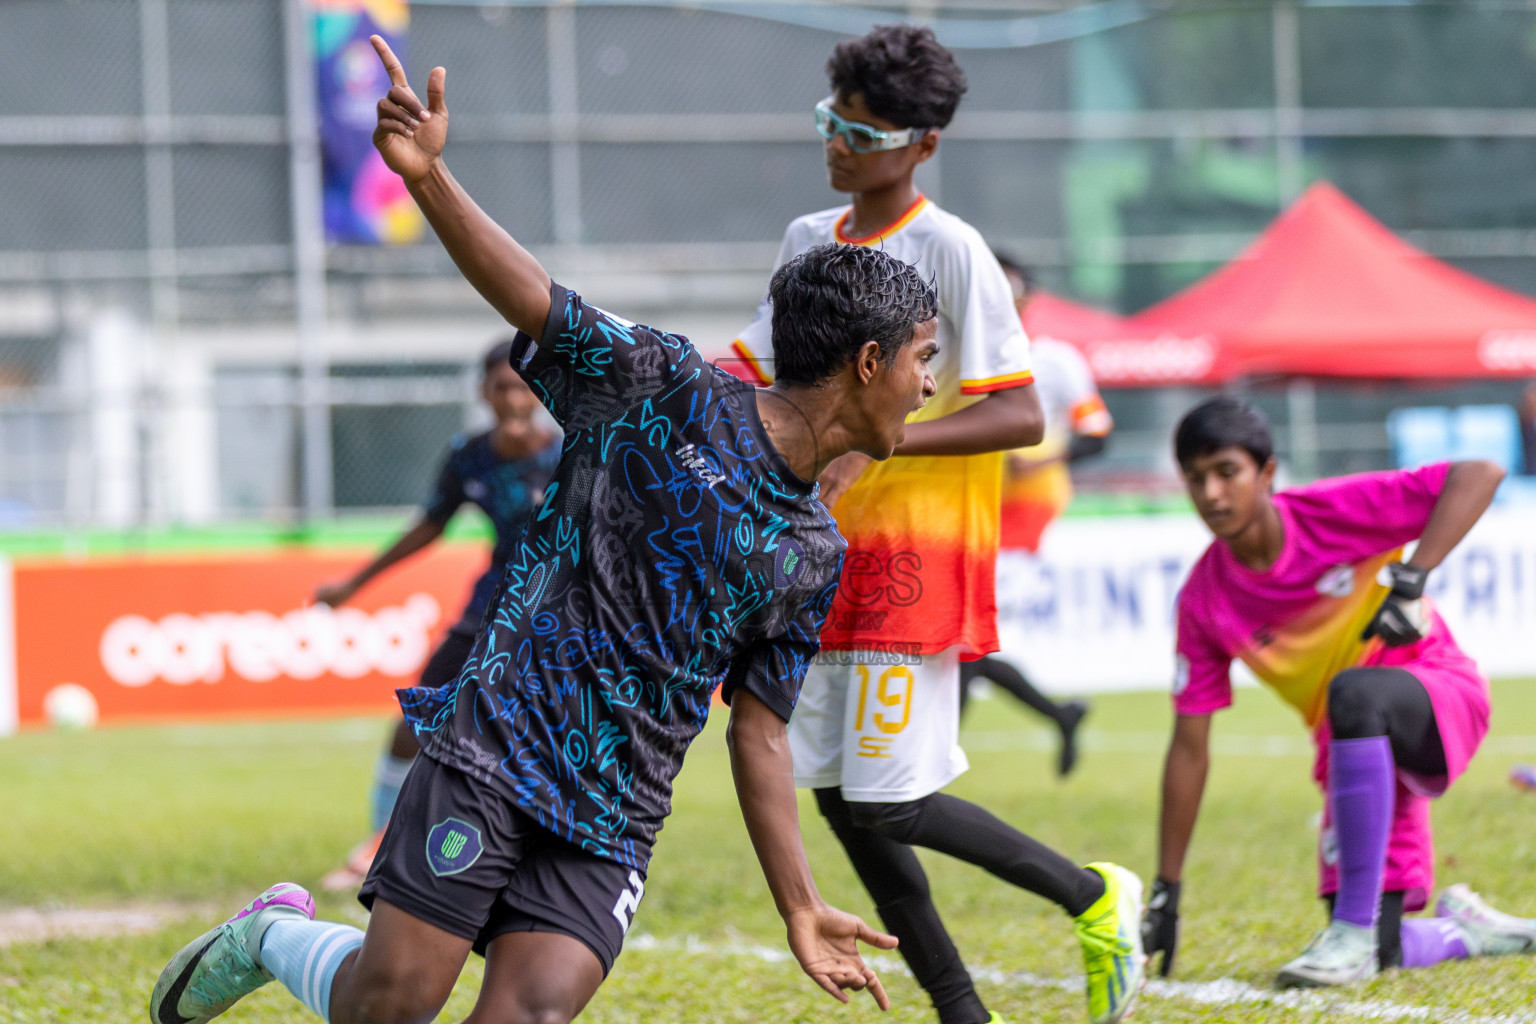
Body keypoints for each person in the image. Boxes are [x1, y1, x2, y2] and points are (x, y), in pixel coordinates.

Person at [149, 36, 929, 1024]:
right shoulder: (669, 387)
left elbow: (761, 734)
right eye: (922, 358)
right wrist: (428, 178)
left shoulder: (815, 551)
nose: (930, 383)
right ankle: (270, 933)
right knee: (387, 1008)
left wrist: (802, 903)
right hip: (497, 746)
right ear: (868, 363)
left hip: (616, 810)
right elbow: (534, 298)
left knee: (529, 1015)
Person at [729, 25, 1144, 1024]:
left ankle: (1094, 895)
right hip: (814, 560)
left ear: (921, 145)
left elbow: (1021, 413)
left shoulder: (951, 250)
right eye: (831, 120)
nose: (837, 141)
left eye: (862, 130)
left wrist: (881, 443)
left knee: (886, 801)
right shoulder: (804, 242)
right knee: (841, 801)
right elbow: (752, 374)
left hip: (914, 558)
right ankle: (962, 1010)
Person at [1142, 396, 1536, 989]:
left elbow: (1480, 473)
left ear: (1267, 473)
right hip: (1351, 751)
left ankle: (1348, 934)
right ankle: (1464, 930)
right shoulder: (1203, 599)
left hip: (1437, 693)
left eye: (1227, 472)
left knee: (1353, 694)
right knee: (1386, 942)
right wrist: (1166, 890)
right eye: (1196, 480)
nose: (1213, 495)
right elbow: (1189, 746)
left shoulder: (1332, 511)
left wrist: (1412, 580)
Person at [311, 341, 561, 890]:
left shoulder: (571, 454)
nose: (514, 398)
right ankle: (383, 840)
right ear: (483, 392)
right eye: (502, 386)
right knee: (416, 718)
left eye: (524, 386)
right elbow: (430, 524)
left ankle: (544, 858)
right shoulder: (469, 455)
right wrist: (353, 584)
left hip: (557, 617)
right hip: (491, 606)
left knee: (542, 736)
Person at [957, 255, 1116, 777]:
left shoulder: (1054, 360)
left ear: (1027, 296)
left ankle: (927, 766)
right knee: (958, 643)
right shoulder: (955, 355)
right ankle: (1058, 715)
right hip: (962, 512)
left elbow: (1097, 435)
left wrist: (1043, 457)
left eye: (1010, 287)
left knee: (962, 644)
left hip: (1022, 514)